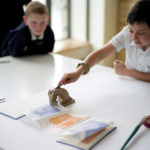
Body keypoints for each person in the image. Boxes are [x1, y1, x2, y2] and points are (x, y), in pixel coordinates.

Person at [58, 0, 150, 86]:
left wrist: (127, 71)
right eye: (131, 30)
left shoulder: (133, 35)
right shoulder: (126, 33)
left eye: (141, 32)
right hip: (130, 85)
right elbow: (100, 54)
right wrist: (78, 72)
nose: (134, 37)